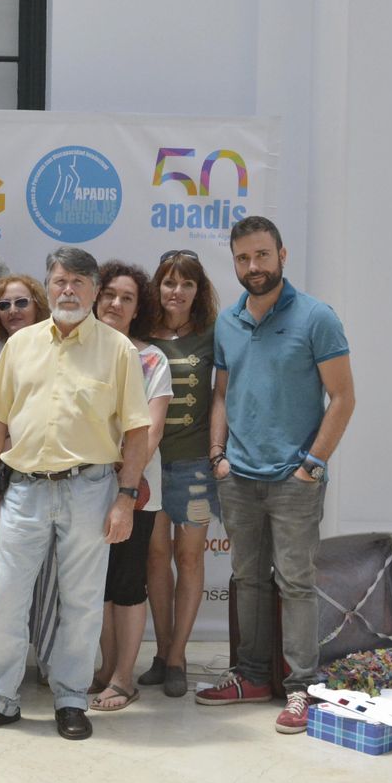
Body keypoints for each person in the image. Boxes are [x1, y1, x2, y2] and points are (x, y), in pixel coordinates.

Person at [0, 246, 151, 742]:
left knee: (83, 601)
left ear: (93, 291)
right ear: (49, 286)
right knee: (5, 598)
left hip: (89, 489)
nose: (68, 290)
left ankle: (69, 698)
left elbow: (136, 433)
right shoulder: (20, 346)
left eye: (79, 283)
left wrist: (125, 497)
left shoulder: (118, 350)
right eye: (60, 281)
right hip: (23, 490)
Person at [195, 216, 355, 733]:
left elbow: (344, 398)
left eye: (262, 255)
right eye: (243, 258)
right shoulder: (228, 322)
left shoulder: (316, 318)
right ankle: (252, 676)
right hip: (237, 476)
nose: (253, 267)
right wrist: (218, 454)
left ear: (282, 255)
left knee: (297, 583)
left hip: (293, 478)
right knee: (246, 580)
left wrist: (312, 464)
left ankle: (302, 689)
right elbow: (221, 393)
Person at [90, 261, 172, 712]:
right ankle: (104, 668)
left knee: (126, 583)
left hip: (134, 490)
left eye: (127, 298)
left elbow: (152, 431)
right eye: (109, 295)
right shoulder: (77, 350)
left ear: (138, 308)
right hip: (81, 488)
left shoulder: (152, 359)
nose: (116, 304)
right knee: (95, 585)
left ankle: (124, 677)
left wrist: (122, 477)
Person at [140, 250, 221, 697]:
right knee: (155, 560)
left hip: (193, 468)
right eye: (169, 283)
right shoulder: (138, 335)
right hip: (149, 464)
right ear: (158, 287)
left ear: (198, 291)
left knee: (188, 559)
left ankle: (177, 659)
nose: (177, 292)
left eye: (186, 284)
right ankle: (161, 651)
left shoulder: (212, 334)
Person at [0, 274, 50, 347]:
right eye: (4, 304)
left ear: (37, 306)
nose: (12, 311)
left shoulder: (54, 350)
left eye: (21, 302)